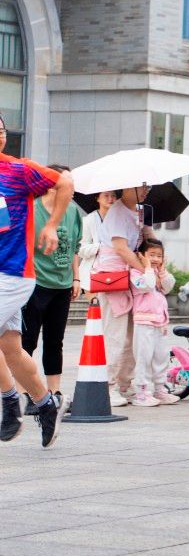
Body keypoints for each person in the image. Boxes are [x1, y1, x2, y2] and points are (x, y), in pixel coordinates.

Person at [0, 126, 72, 449]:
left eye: (1, 130)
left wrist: (52, 224)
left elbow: (65, 182)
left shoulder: (19, 170)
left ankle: (9, 404)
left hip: (13, 274)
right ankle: (45, 404)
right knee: (11, 349)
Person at [21, 165, 79, 402]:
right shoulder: (33, 210)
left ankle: (55, 392)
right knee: (27, 340)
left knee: (55, 341)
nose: (72, 188)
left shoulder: (73, 212)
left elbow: (75, 247)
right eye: (67, 183)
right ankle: (24, 392)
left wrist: (76, 277)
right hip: (36, 284)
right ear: (52, 185)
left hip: (62, 286)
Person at [94, 185, 148, 408]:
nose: (146, 190)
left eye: (148, 186)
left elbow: (145, 241)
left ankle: (124, 384)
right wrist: (146, 270)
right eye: (141, 186)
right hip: (114, 277)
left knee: (132, 334)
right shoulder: (117, 211)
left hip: (131, 278)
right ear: (126, 187)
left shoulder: (140, 210)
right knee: (115, 334)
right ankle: (108, 386)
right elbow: (121, 248)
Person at [128, 238, 177, 406]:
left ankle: (160, 390)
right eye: (152, 255)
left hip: (160, 322)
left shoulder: (157, 273)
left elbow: (168, 286)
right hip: (144, 322)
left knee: (161, 357)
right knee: (144, 357)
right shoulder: (136, 273)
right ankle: (141, 393)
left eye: (159, 256)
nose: (156, 259)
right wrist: (148, 268)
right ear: (141, 255)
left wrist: (162, 271)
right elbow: (147, 286)